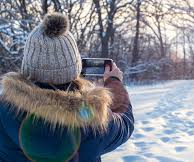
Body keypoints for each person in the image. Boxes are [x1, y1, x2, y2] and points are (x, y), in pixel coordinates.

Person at [0, 13, 134, 162]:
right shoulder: (92, 119)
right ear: (75, 68)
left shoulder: (3, 108)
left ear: (28, 65)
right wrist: (114, 82)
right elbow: (125, 123)